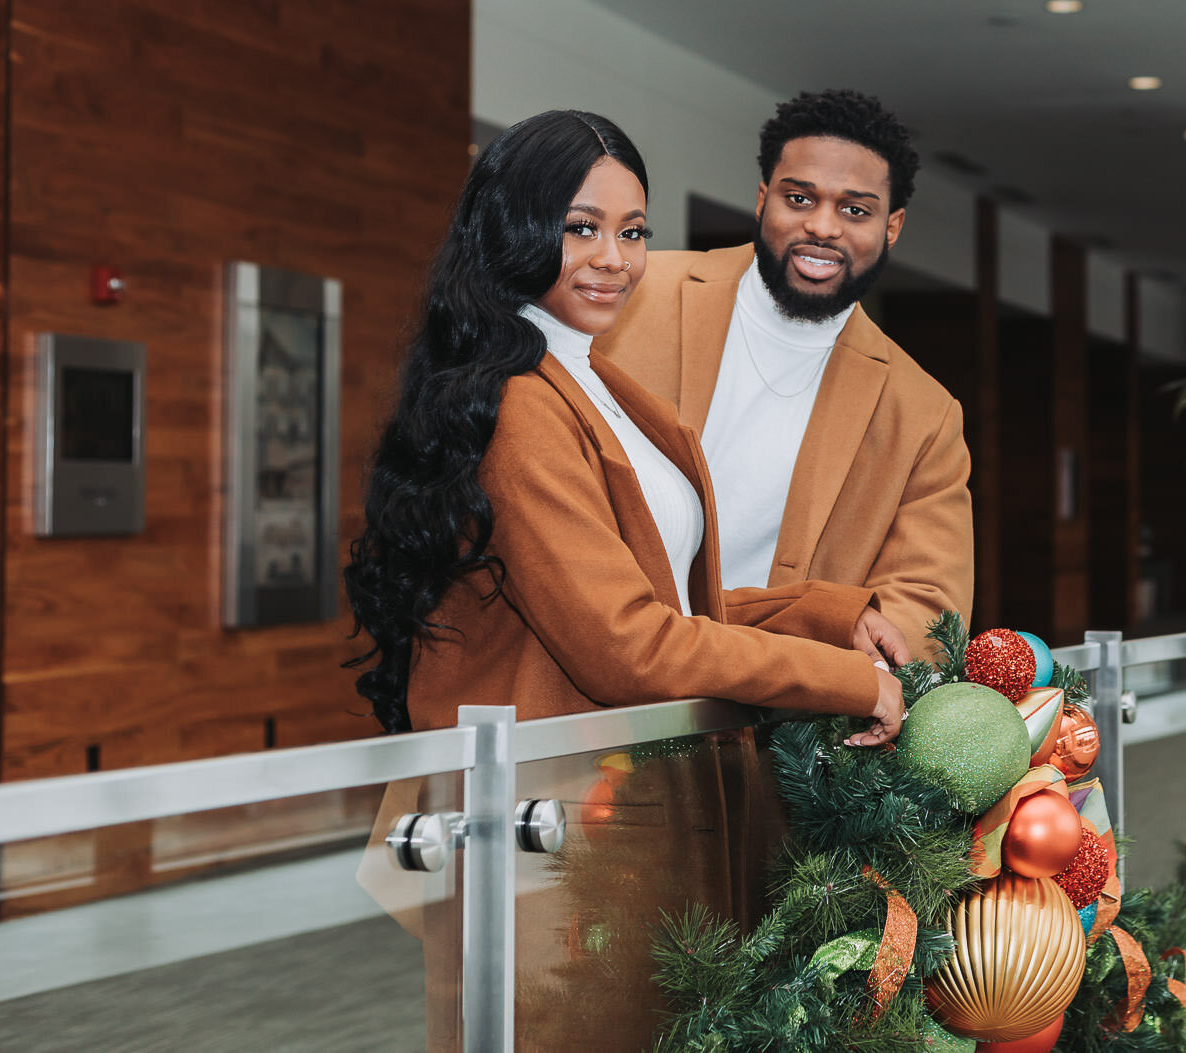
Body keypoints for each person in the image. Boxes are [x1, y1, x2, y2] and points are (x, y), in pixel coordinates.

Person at [343, 107, 908, 738]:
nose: (615, 259)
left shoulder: (603, 387)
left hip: (598, 794)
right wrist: (843, 679)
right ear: (514, 232)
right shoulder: (521, 405)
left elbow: (675, 608)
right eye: (582, 228)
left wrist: (825, 619)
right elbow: (629, 646)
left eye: (633, 233)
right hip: (543, 812)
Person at [598, 89, 972, 657]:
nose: (823, 227)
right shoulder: (632, 295)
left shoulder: (923, 413)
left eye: (855, 210)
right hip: (591, 678)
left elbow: (928, 604)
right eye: (799, 198)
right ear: (761, 199)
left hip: (773, 725)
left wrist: (819, 660)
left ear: (892, 226)